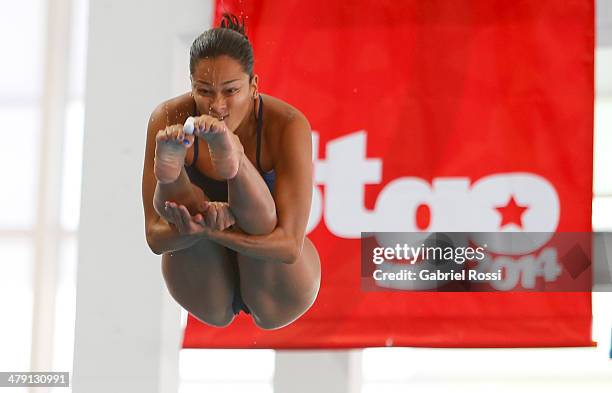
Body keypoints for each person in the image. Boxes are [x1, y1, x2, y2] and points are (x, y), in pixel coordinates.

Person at [141, 14, 321, 330]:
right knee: (190, 205)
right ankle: (174, 177)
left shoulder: (287, 124)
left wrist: (212, 230)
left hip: (277, 286)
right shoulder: (170, 117)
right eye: (205, 91)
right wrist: (199, 223)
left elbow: (290, 246)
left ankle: (235, 163)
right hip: (204, 283)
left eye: (230, 90)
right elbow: (155, 238)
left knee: (261, 218)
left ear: (253, 86)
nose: (217, 106)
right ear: (192, 87)